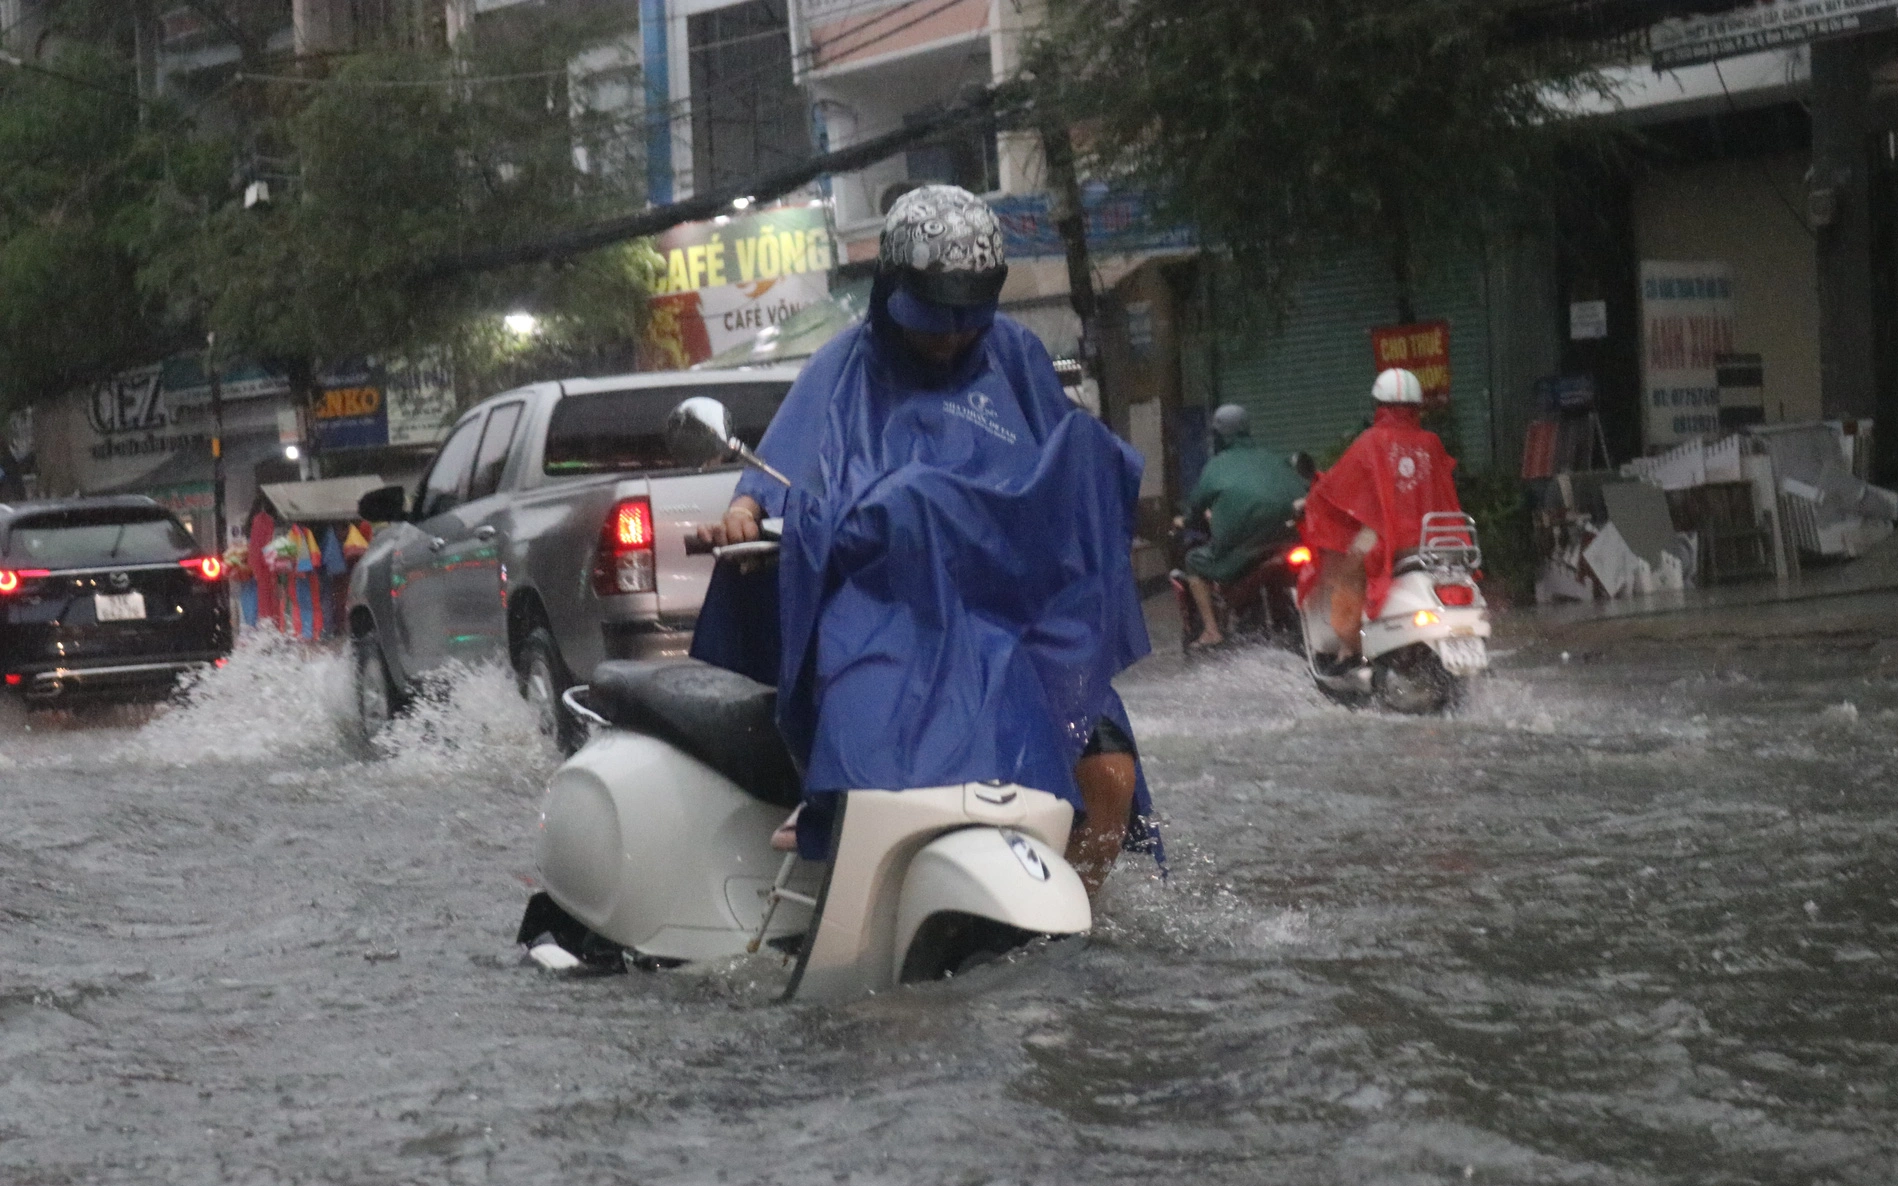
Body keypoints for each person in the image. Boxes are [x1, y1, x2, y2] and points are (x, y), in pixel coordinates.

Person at [692, 184, 1159, 898]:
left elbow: (1068, 466)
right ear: (892, 290)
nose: (947, 338)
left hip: (1013, 626)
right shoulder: (842, 368)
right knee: (870, 773)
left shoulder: (1017, 358)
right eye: (932, 321)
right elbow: (780, 470)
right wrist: (748, 508)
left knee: (1110, 780)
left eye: (964, 323)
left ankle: (1074, 910)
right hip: (889, 623)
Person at [1298, 367, 1463, 671]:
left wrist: (1316, 491)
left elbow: (1338, 486)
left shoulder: (1371, 442)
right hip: (1432, 539)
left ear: (1379, 405)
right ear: (1417, 406)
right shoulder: (1431, 443)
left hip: (1382, 536)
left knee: (1345, 569)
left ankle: (1349, 648)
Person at [1177, 404, 1309, 648]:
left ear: (1218, 435)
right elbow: (1304, 488)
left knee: (1193, 562)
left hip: (1242, 550)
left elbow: (1196, 506)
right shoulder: (1273, 458)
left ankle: (1211, 631)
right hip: (1290, 539)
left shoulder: (1216, 466)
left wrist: (1185, 520)